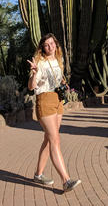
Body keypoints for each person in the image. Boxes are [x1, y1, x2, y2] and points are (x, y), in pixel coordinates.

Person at [27, 33, 81, 193]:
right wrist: (35, 73)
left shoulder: (59, 60)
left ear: (56, 45)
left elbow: (58, 79)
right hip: (44, 100)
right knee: (55, 139)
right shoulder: (39, 62)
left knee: (49, 139)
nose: (50, 47)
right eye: (46, 45)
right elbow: (31, 87)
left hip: (58, 101)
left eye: (52, 44)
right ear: (42, 47)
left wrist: (63, 85)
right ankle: (66, 180)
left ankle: (38, 174)